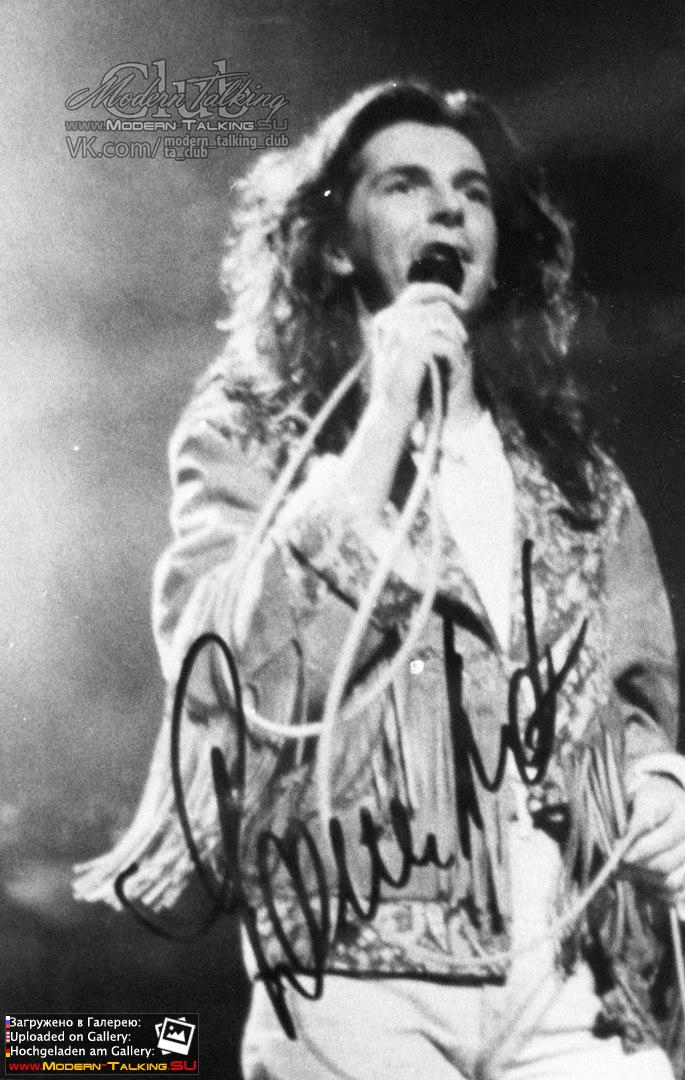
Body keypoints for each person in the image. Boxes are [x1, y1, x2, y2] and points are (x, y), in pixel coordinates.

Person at [75, 81, 685, 1079]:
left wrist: (655, 788)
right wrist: (381, 424)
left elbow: (634, 697)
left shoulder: (575, 478)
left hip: (571, 968)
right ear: (332, 244)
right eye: (404, 185)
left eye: (472, 193)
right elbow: (226, 675)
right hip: (355, 970)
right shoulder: (250, 441)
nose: (448, 209)